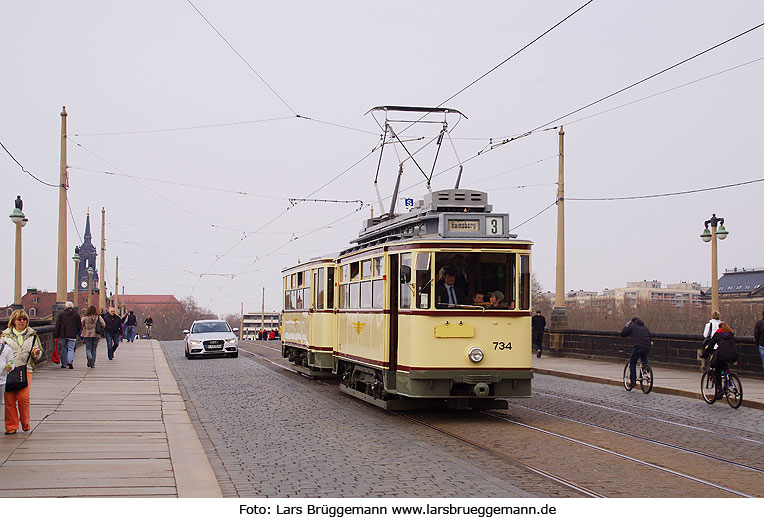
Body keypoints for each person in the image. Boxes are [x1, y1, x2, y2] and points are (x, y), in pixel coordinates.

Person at [2, 309, 43, 435]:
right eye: (19, 319)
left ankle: (25, 421)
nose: (22, 321)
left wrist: (36, 354)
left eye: (24, 319)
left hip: (26, 369)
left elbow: (39, 351)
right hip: (9, 370)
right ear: (13, 321)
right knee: (9, 399)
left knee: (23, 397)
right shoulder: (5, 336)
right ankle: (11, 426)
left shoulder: (32, 335)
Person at [701, 322, 740, 399]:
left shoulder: (717, 334)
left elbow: (710, 346)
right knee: (725, 365)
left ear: (720, 328)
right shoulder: (731, 334)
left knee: (718, 371)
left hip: (722, 355)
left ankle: (719, 391)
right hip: (733, 355)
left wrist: (704, 354)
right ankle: (729, 380)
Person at [620, 317, 651, 389]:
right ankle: (646, 371)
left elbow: (623, 333)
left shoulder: (632, 326)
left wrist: (627, 325)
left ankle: (633, 381)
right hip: (647, 347)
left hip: (638, 347)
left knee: (632, 362)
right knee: (644, 359)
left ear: (633, 322)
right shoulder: (645, 327)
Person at [54, 301, 81, 369]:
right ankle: (70, 361)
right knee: (71, 349)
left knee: (63, 349)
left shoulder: (61, 314)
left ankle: (64, 364)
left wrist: (56, 335)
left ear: (65, 307)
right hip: (72, 335)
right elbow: (79, 326)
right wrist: (76, 332)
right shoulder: (76, 315)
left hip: (63, 335)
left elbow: (58, 326)